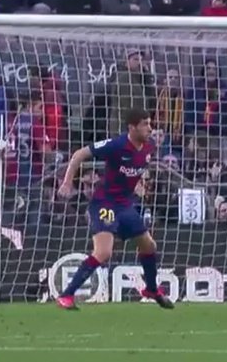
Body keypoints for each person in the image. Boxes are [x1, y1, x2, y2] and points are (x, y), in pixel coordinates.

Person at [55, 108, 173, 311]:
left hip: (125, 204)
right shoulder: (116, 145)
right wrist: (67, 183)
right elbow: (79, 154)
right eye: (145, 124)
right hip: (105, 203)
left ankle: (152, 289)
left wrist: (139, 186)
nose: (150, 128)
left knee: (149, 246)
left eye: (150, 123)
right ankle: (66, 295)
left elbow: (132, 171)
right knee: (103, 252)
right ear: (132, 127)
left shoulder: (149, 147)